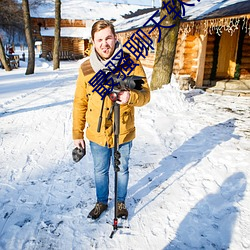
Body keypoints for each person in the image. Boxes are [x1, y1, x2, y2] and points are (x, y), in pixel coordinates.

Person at [72, 20, 150, 220]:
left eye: (108, 38)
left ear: (115, 38)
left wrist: (130, 97)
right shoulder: (87, 68)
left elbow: (145, 94)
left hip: (123, 130)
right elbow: (80, 102)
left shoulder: (131, 62)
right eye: (100, 40)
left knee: (122, 168)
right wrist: (77, 134)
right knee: (100, 170)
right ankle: (101, 202)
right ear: (93, 42)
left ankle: (121, 202)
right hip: (97, 133)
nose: (104, 43)